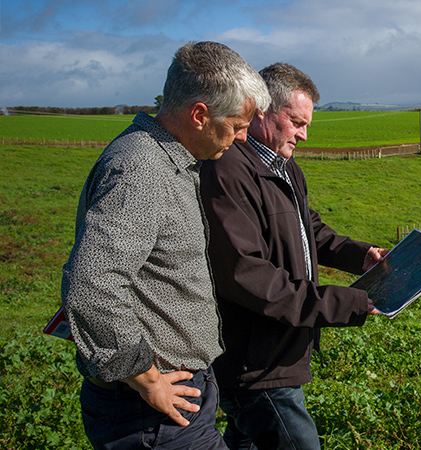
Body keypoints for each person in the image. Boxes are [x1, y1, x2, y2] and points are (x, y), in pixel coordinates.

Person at [60, 41, 271, 449]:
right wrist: (148, 378)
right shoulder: (141, 169)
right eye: (238, 125)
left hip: (170, 403)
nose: (244, 138)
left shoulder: (171, 159)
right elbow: (92, 286)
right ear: (199, 115)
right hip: (150, 412)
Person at [199, 62, 387, 450]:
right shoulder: (226, 170)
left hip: (279, 351)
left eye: (307, 125)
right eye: (297, 122)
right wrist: (344, 302)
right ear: (262, 110)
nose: (303, 134)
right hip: (255, 364)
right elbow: (244, 273)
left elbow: (308, 229)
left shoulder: (284, 167)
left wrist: (361, 256)